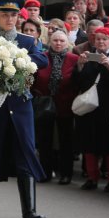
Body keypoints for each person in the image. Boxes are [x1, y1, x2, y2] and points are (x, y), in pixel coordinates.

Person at [0, 0, 48, 218]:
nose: (10, 18)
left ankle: (30, 215)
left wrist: (20, 58)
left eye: (14, 14)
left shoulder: (27, 41)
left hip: (19, 108)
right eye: (5, 14)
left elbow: (41, 61)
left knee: (25, 155)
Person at [77, 27, 109, 191]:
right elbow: (79, 83)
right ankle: (92, 177)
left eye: (104, 39)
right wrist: (80, 66)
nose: (100, 42)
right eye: (98, 39)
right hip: (90, 107)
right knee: (89, 143)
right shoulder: (88, 57)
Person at [31, 30, 79, 185]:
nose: (58, 43)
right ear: (50, 41)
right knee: (45, 141)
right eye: (55, 40)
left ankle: (66, 174)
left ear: (67, 43)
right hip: (44, 104)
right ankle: (45, 172)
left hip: (66, 105)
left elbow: (78, 82)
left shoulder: (75, 59)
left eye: (62, 41)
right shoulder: (42, 57)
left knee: (66, 142)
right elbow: (33, 80)